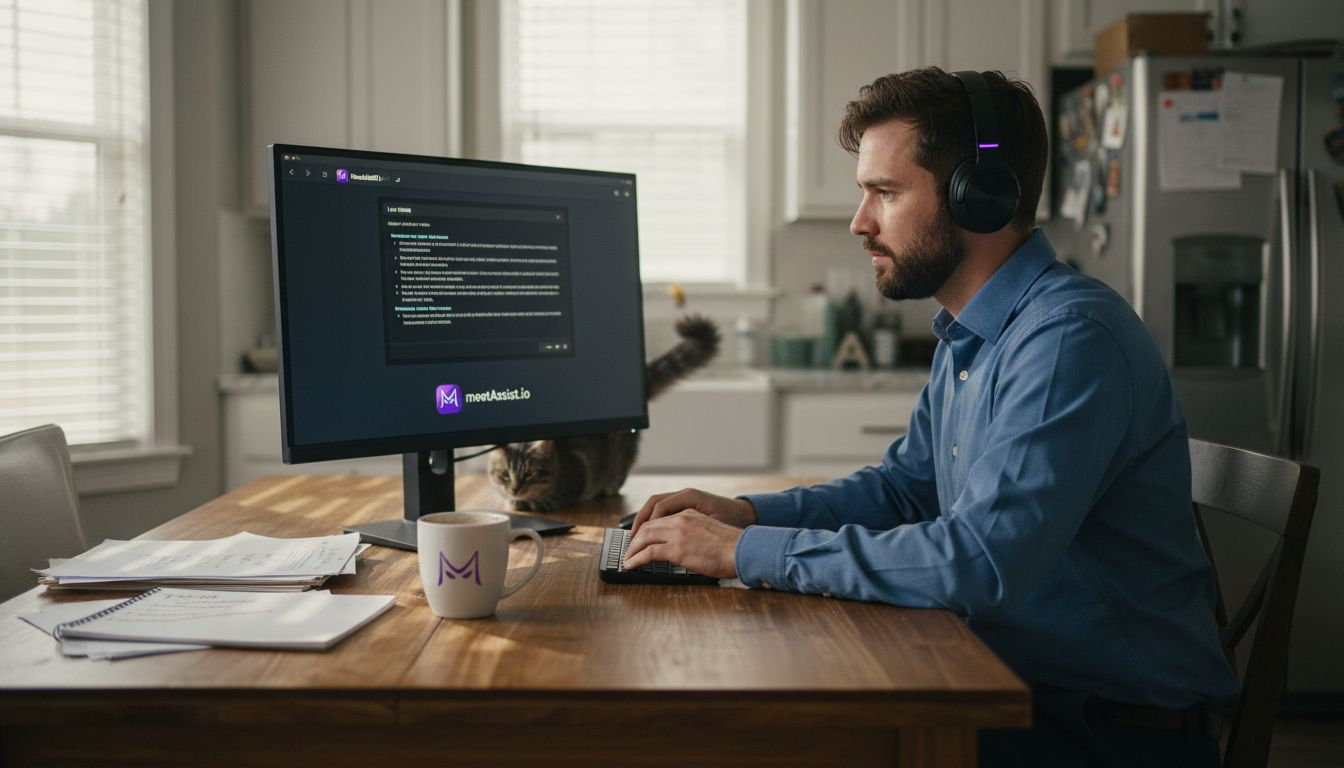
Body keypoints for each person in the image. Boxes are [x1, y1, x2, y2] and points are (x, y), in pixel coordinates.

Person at [623, 67, 1237, 767]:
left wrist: (739, 556)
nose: (860, 223)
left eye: (884, 193)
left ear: (979, 199)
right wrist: (745, 515)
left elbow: (977, 562)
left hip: (1105, 729)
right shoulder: (974, 329)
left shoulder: (1067, 339)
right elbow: (902, 491)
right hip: (1015, 683)